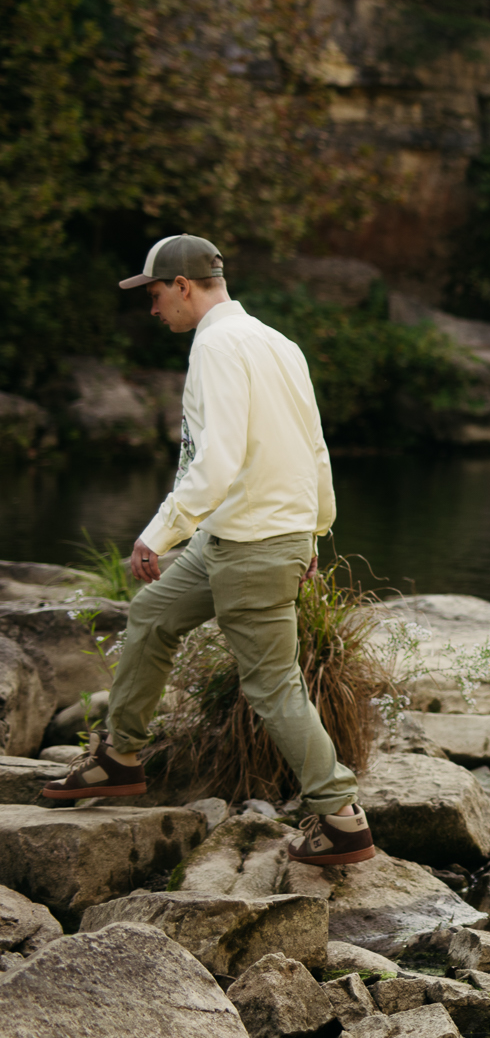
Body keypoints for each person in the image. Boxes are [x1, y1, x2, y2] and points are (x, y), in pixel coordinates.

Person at [42, 234, 377, 866]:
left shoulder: (218, 347)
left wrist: (157, 532)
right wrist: (313, 531)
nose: (152, 308)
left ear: (184, 286)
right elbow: (316, 450)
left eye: (155, 293)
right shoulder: (279, 343)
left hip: (251, 546)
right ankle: (120, 757)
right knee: (151, 615)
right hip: (231, 537)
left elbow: (216, 459)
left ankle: (340, 816)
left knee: (274, 686)